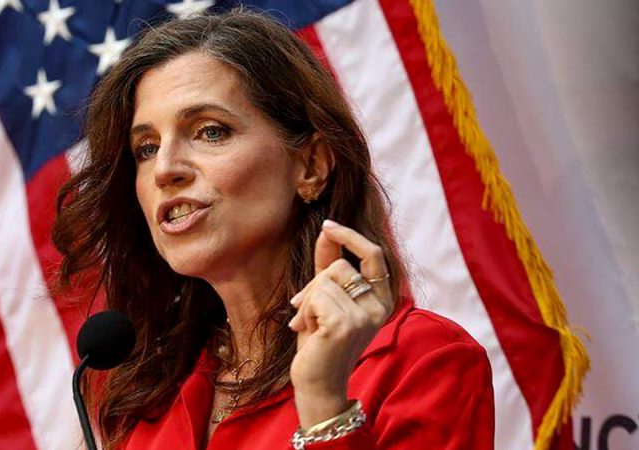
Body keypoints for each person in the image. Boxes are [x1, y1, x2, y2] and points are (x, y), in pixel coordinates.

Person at [53, 9, 494, 450]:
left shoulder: (421, 360)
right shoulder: (149, 402)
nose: (165, 169)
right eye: (146, 148)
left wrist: (324, 404)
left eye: (210, 132)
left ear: (311, 165)